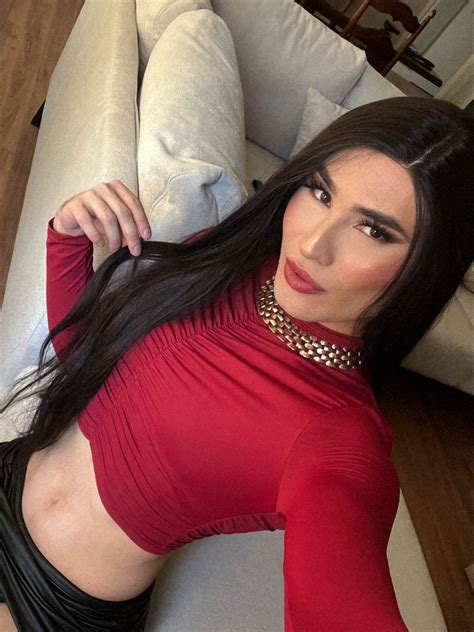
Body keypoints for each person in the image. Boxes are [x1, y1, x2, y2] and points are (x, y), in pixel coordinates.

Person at [0, 96, 472, 631]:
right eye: (321, 193)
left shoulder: (337, 440)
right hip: (12, 471)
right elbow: (88, 365)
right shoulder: (228, 262)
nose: (312, 245)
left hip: (51, 605)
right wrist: (66, 239)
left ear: (424, 270)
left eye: (374, 230)